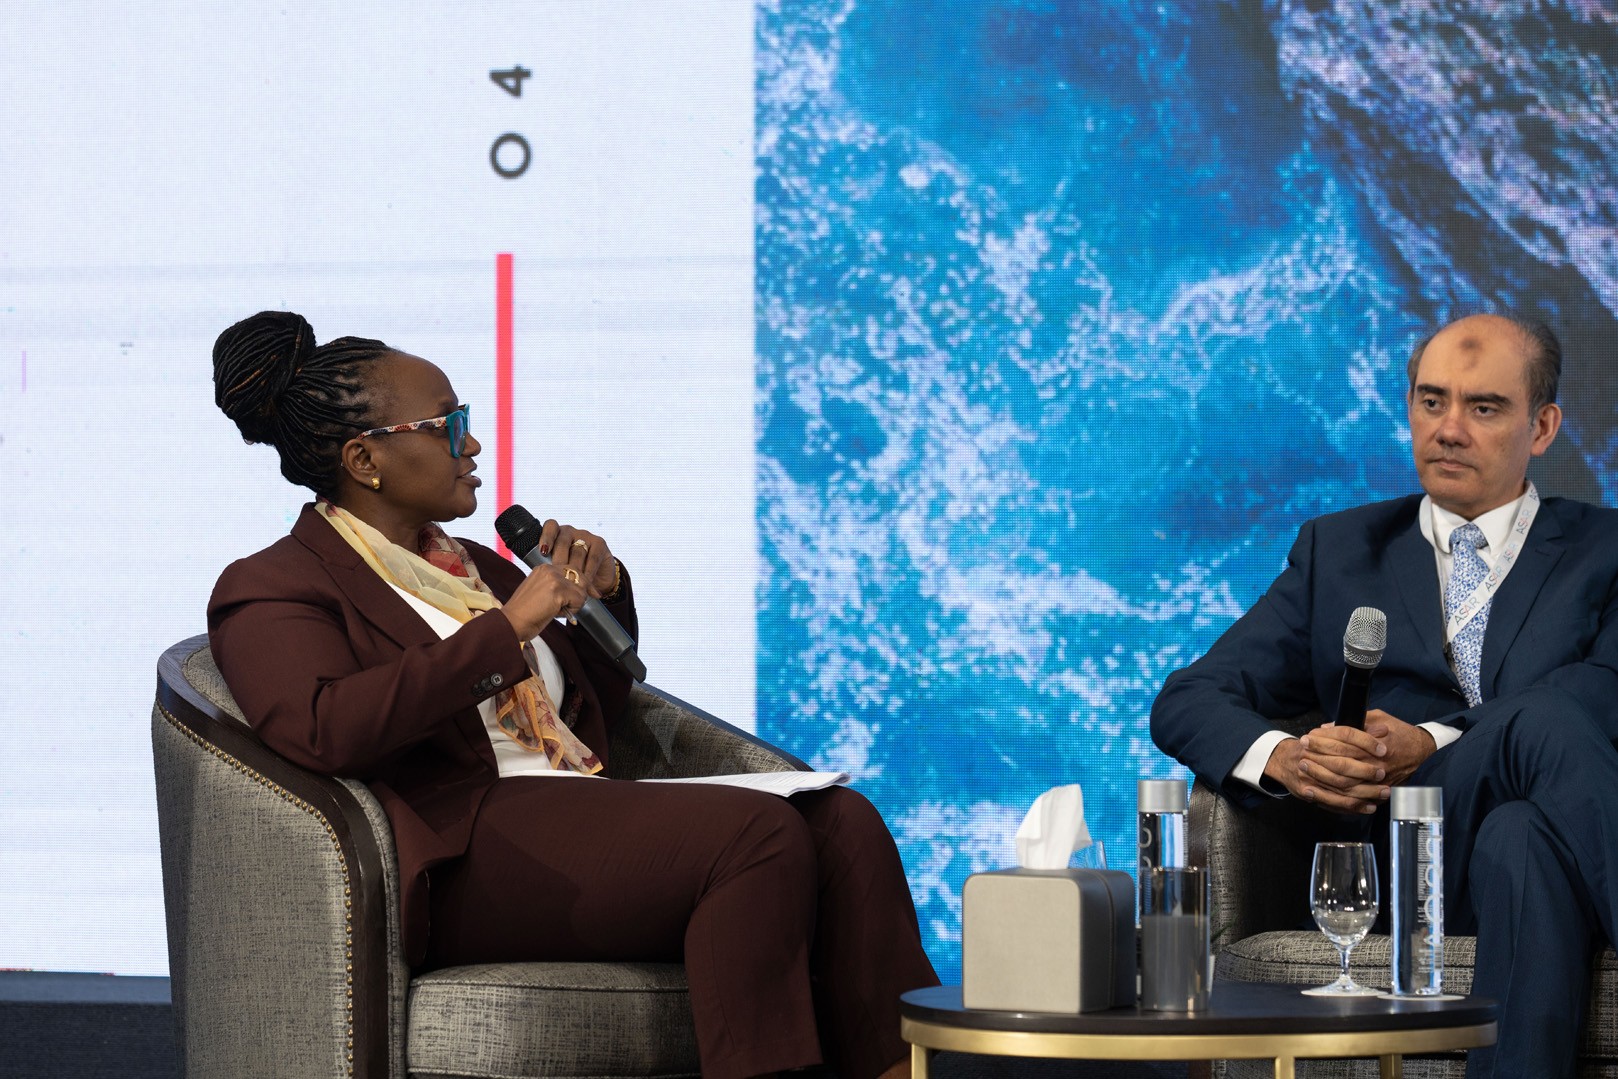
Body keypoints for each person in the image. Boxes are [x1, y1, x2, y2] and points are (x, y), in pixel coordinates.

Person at [206, 310, 938, 1079]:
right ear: (365, 457)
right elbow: (323, 727)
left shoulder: (474, 569)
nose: (472, 445)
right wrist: (505, 630)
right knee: (755, 836)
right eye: (449, 425)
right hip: (459, 855)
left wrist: (605, 597)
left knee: (844, 823)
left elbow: (589, 715)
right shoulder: (275, 584)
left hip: (569, 811)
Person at [1150, 313, 1618, 1078]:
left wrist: (1433, 736)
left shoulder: (1605, 550)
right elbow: (1188, 696)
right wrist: (1290, 758)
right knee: (1541, 724)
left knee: (1522, 831)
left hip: (1551, 841)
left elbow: (1607, 689)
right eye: (1432, 401)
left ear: (1542, 427)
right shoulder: (1338, 552)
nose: (1449, 429)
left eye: (1484, 407)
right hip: (1400, 865)